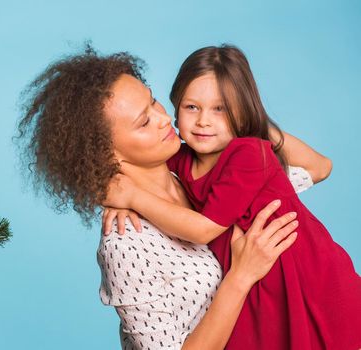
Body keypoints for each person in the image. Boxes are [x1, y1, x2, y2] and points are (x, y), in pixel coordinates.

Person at [16, 47, 326, 349]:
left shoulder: (199, 174)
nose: (164, 119)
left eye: (154, 103)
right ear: (105, 152)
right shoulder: (126, 242)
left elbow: (316, 167)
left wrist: (242, 115)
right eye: (144, 122)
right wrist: (241, 277)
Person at [103, 45, 361, 349]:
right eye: (191, 107)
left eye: (221, 109)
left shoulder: (247, 154)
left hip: (309, 280)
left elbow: (204, 229)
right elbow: (113, 167)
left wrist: (132, 197)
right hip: (262, 293)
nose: (203, 122)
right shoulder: (180, 163)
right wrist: (109, 193)